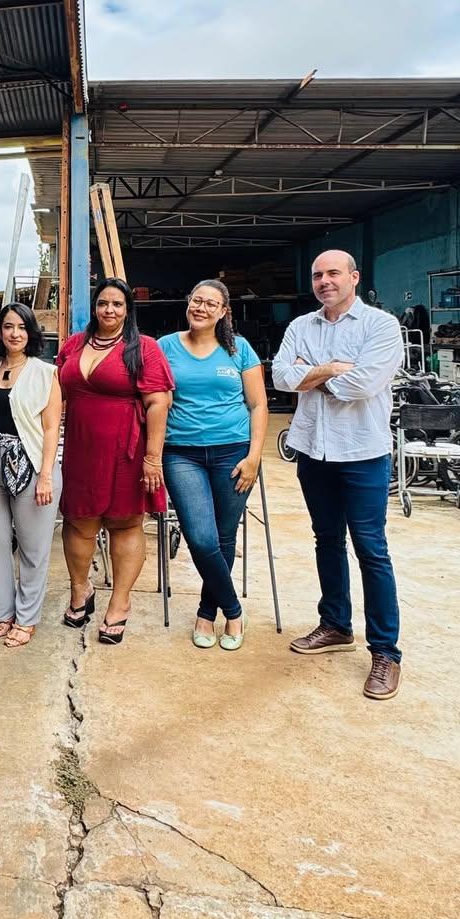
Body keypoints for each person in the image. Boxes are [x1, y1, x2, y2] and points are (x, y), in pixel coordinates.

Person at [272, 250, 404, 700]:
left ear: (353, 277)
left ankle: (385, 652)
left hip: (363, 452)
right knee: (326, 539)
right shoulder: (300, 327)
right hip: (313, 450)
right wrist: (329, 370)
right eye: (317, 275)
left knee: (371, 548)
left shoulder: (381, 327)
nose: (325, 281)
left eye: (333, 273)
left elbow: (362, 384)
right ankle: (335, 625)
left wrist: (311, 375)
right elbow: (280, 378)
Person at [58, 280, 174, 645]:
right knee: (78, 521)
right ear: (94, 307)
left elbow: (158, 403)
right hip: (80, 448)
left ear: (128, 310)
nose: (109, 310)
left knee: (124, 525)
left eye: (118, 304)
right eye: (103, 303)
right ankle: (81, 590)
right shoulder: (74, 345)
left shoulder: (144, 348)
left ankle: (120, 603)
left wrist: (153, 460)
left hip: (128, 450)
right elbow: (52, 389)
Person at [158, 280, 268, 650]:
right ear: (188, 303)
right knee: (201, 538)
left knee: (223, 537)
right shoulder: (166, 347)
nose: (201, 307)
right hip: (181, 452)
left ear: (223, 312)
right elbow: (154, 399)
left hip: (233, 452)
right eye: (196, 300)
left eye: (211, 303)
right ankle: (234, 611)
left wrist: (253, 457)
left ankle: (207, 612)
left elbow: (258, 405)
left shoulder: (239, 350)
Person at [0, 303, 63, 648]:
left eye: (22, 327)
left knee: (32, 547)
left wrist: (45, 475)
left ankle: (27, 619)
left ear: (31, 333)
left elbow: (52, 426)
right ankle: (4, 613)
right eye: (8, 327)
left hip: (29, 460)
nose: (14, 333)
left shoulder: (45, 372)